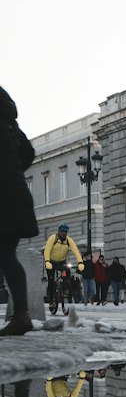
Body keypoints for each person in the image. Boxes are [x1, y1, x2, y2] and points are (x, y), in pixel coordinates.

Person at [0, 85, 39, 337]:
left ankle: (23, 315)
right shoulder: (11, 126)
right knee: (6, 254)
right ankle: (22, 314)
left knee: (5, 254)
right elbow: (29, 152)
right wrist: (13, 173)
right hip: (16, 194)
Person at [42, 222, 84, 309]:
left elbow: (76, 251)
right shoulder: (52, 238)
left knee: (67, 273)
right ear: (59, 231)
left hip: (61, 262)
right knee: (51, 281)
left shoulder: (69, 240)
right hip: (51, 262)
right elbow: (47, 250)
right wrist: (47, 261)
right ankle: (51, 300)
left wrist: (80, 262)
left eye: (65, 232)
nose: (64, 233)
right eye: (62, 231)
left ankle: (65, 289)